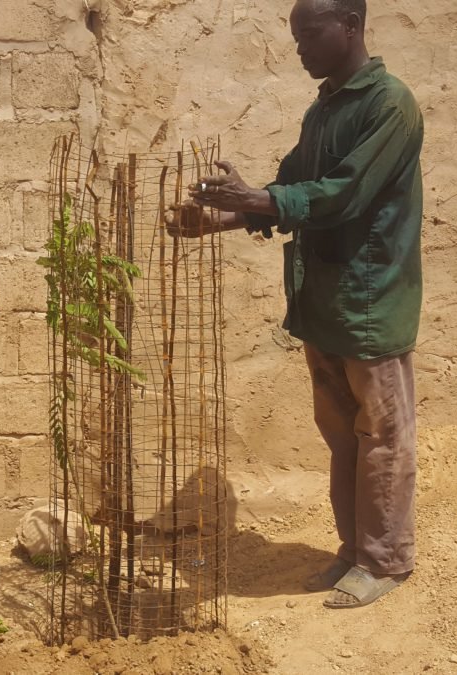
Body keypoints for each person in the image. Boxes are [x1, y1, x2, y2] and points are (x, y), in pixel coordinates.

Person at [168, 0, 423, 609]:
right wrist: (217, 220)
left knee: (383, 434)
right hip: (323, 301)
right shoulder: (323, 108)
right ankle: (352, 551)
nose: (300, 48)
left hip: (371, 299)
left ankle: (385, 560)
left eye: (309, 35)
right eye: (297, 36)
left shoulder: (390, 104)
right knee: (342, 435)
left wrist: (256, 197)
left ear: (350, 28)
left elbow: (341, 195)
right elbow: (290, 188)